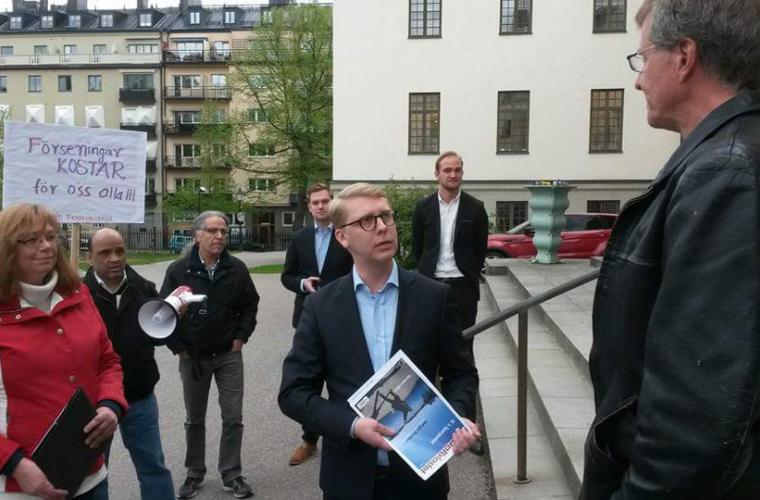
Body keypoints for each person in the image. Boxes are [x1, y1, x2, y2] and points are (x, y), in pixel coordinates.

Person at [580, 1, 760, 498]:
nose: (638, 81)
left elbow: (695, 418)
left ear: (684, 57)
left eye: (642, 58)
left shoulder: (725, 174)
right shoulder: (723, 157)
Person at [279, 183, 481, 500]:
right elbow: (294, 392)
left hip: (420, 481)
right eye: (367, 221)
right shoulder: (321, 307)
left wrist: (457, 416)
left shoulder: (434, 297)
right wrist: (351, 425)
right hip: (348, 480)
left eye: (386, 216)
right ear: (342, 237)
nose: (383, 227)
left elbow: (461, 373)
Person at [0, 203, 127, 499]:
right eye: (31, 239)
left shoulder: (78, 294)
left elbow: (107, 361)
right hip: (22, 485)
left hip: (91, 475)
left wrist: (111, 405)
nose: (46, 246)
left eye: (50, 237)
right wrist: (14, 463)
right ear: (7, 249)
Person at [160, 211, 259, 499]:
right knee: (195, 418)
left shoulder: (236, 268)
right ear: (197, 235)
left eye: (223, 231)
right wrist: (178, 347)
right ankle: (194, 472)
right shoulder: (179, 270)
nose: (219, 236)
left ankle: (231, 473)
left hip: (229, 354)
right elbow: (163, 311)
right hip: (194, 358)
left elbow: (250, 304)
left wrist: (240, 337)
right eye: (213, 230)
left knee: (233, 416)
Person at [83, 228, 175, 499]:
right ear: (89, 257)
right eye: (105, 252)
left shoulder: (144, 288)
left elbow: (158, 338)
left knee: (153, 466)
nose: (114, 258)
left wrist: (172, 318)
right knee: (94, 473)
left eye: (120, 251)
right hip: (96, 402)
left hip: (139, 395)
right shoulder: (79, 296)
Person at [280, 182, 353, 465]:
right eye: (315, 202)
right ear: (309, 207)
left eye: (325, 201)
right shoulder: (299, 238)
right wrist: (302, 283)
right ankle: (309, 440)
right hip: (308, 318)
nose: (321, 206)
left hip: (344, 317)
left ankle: (346, 433)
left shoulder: (346, 233)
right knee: (308, 381)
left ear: (332, 202)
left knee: (343, 378)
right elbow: (287, 276)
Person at [412, 151, 488, 350]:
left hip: (463, 287)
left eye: (457, 170)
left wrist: (471, 274)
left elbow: (480, 248)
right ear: (437, 174)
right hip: (430, 284)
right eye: (447, 170)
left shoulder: (476, 208)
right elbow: (417, 248)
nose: (453, 175)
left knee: (464, 344)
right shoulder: (422, 207)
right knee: (428, 342)